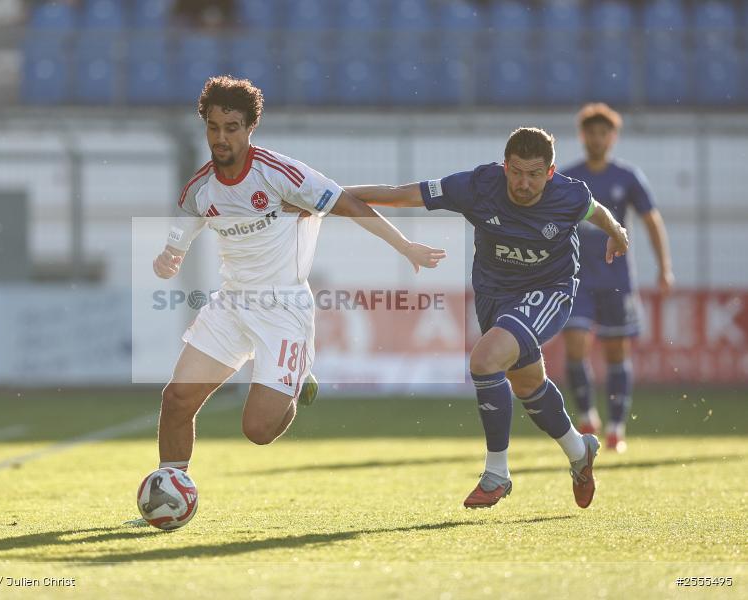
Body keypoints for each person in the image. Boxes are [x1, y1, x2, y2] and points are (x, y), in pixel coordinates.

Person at [294, 128, 629, 509]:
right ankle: (579, 451)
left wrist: (617, 232)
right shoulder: (477, 185)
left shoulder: (569, 194)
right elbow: (401, 194)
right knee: (527, 384)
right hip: (494, 297)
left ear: (550, 173)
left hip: (549, 291)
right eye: (516, 172)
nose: (523, 183)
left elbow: (595, 210)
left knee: (485, 361)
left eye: (534, 174)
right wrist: (331, 196)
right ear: (505, 166)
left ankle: (497, 473)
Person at [152, 75, 445, 474]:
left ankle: (296, 381)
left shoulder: (279, 173)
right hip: (232, 303)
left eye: (231, 128)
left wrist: (405, 245)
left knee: (257, 430)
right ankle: (172, 485)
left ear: (251, 127)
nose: (221, 138)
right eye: (213, 127)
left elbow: (348, 203)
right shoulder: (198, 189)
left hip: (284, 309)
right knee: (176, 399)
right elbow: (178, 238)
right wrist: (168, 258)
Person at [560, 103, 673, 454]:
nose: (597, 139)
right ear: (582, 136)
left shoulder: (627, 177)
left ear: (612, 138)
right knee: (575, 343)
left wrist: (664, 267)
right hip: (577, 278)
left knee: (615, 351)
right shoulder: (568, 179)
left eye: (603, 133)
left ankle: (615, 428)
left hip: (616, 278)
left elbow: (651, 220)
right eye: (591, 133)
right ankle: (586, 417)